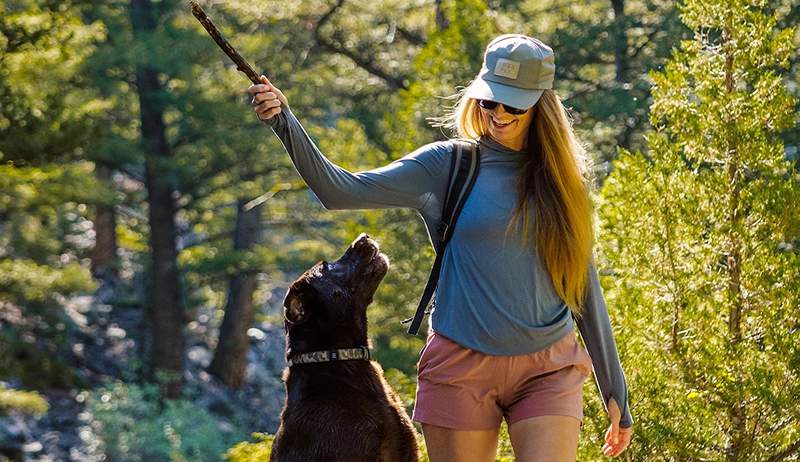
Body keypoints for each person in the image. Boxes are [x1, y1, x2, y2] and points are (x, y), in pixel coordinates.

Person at [248, 33, 633, 461]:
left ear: (541, 103)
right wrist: (285, 121)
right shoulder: (447, 166)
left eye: (514, 104)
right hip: (460, 368)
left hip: (548, 368)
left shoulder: (562, 181)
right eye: (490, 101)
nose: (499, 114)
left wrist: (614, 387)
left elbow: (582, 285)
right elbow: (339, 190)